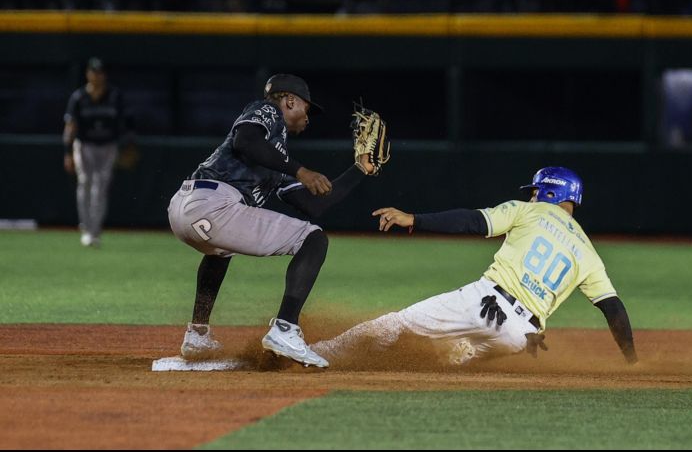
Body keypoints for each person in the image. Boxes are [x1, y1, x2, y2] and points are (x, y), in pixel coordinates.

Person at [311, 167, 638, 366]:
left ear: (551, 191)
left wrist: (415, 219)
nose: (533, 195)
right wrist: (632, 361)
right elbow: (614, 310)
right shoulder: (588, 252)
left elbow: (471, 222)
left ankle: (316, 353)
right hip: (522, 338)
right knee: (449, 357)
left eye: (537, 190)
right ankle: (456, 353)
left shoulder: (529, 211)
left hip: (485, 305)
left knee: (394, 325)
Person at [167, 74, 379, 368]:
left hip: (187, 208)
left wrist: (361, 169)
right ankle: (285, 329)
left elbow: (313, 205)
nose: (308, 117)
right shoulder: (268, 111)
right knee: (314, 238)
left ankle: (197, 334)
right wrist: (301, 170)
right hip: (212, 204)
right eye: (306, 108)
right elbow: (245, 141)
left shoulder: (275, 157)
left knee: (221, 250)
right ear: (289, 100)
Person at [63, 57, 127, 248]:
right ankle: (86, 228)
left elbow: (123, 125)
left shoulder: (115, 96)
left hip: (108, 146)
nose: (96, 75)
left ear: (104, 75)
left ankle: (95, 230)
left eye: (100, 72)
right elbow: (70, 126)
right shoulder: (79, 97)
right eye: (93, 71)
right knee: (85, 183)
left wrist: (124, 147)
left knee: (101, 187)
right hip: (85, 145)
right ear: (87, 74)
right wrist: (67, 152)